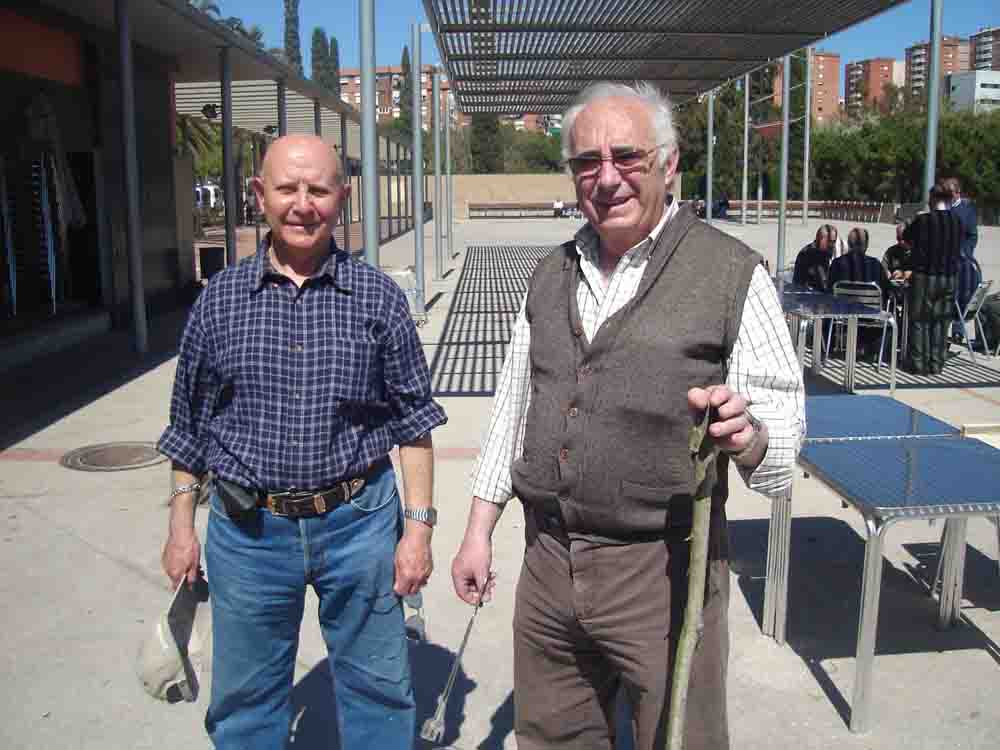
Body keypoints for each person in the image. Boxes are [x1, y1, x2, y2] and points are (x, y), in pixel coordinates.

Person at [451, 81, 805, 750]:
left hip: (663, 569)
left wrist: (748, 435)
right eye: (587, 161)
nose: (606, 178)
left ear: (669, 165)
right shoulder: (549, 273)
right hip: (549, 559)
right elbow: (513, 409)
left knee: (680, 738)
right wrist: (478, 530)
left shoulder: (731, 273)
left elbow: (784, 449)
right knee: (552, 737)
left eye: (627, 157)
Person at [158, 135, 447, 748]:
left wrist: (417, 531)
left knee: (380, 694)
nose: (302, 204)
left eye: (318, 189)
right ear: (260, 196)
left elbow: (414, 425)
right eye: (287, 188)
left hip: (360, 525)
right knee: (244, 701)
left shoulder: (378, 298)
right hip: (248, 534)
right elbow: (188, 429)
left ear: (342, 198)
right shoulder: (218, 304)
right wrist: (182, 527)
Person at [902, 182, 962, 375]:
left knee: (919, 320)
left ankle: (918, 363)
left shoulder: (924, 220)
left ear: (933, 199)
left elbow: (906, 236)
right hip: (949, 278)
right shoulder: (957, 221)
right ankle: (936, 364)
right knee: (940, 321)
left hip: (925, 277)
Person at [829, 227, 891, 359]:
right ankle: (875, 351)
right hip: (870, 315)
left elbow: (829, 290)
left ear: (849, 244)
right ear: (866, 245)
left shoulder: (837, 264)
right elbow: (887, 292)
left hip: (843, 314)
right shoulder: (875, 265)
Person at [944, 176, 981, 334]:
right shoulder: (942, 208)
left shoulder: (967, 210)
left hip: (961, 261)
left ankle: (958, 329)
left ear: (958, 192)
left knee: (960, 291)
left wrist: (965, 253)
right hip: (943, 260)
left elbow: (972, 236)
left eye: (950, 193)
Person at [792, 224, 836, 290]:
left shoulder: (825, 251)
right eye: (830, 241)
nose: (832, 245)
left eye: (834, 241)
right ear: (821, 239)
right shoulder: (809, 253)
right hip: (807, 293)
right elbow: (822, 282)